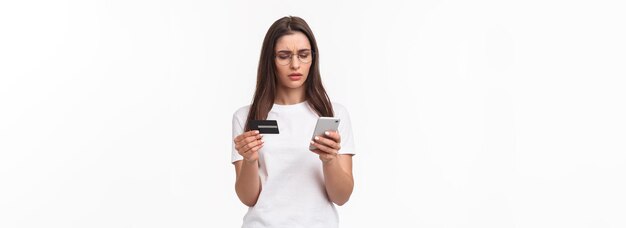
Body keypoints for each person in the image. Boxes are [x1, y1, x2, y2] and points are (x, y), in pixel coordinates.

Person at [231, 16, 357, 227]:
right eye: (284, 56)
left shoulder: (333, 114)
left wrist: (329, 160)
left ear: (313, 58)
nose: (295, 64)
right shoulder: (246, 117)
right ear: (270, 60)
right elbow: (248, 198)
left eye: (303, 55)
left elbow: (342, 197)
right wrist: (250, 161)